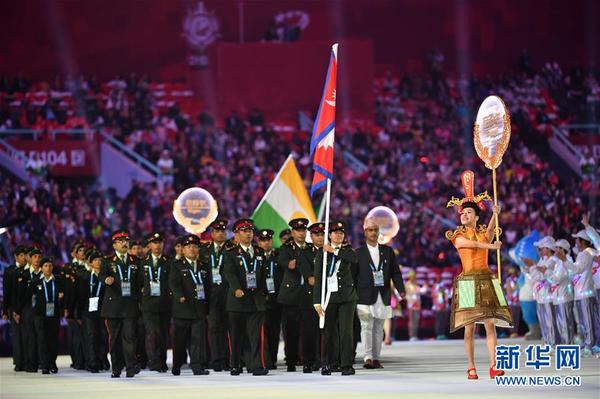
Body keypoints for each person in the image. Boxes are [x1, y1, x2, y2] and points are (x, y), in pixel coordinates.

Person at [445, 171, 512, 380]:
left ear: (475, 216)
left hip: (485, 280)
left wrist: (495, 214)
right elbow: (472, 244)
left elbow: (491, 231)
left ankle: (493, 365)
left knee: (490, 324)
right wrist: (491, 246)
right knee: (470, 328)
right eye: (462, 213)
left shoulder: (483, 233)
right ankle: (471, 366)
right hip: (467, 282)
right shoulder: (457, 236)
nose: (464, 215)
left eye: (468, 213)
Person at [355, 218, 405, 369]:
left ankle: (376, 358)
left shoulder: (388, 251)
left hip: (382, 294)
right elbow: (352, 275)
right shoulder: (358, 253)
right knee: (366, 326)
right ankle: (368, 357)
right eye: (370, 230)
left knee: (378, 328)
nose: (374, 233)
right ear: (365, 232)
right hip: (363, 295)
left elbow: (395, 272)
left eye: (376, 230)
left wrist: (401, 288)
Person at [223, 219, 269, 376]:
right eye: (244, 231)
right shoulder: (230, 253)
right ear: (236, 234)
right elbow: (229, 273)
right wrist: (236, 288)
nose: (248, 233)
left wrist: (265, 293)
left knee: (256, 336)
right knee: (236, 336)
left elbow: (263, 276)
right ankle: (235, 364)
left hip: (256, 300)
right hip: (237, 300)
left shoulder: (259, 252)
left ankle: (256, 365)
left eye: (250, 231)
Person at [313, 221, 359, 376]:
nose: (338, 235)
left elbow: (354, 259)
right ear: (330, 235)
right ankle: (328, 363)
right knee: (329, 332)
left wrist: (334, 251)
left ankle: (346, 364)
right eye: (335, 233)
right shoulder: (321, 252)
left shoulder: (348, 251)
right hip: (329, 297)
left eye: (341, 233)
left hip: (347, 297)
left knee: (346, 332)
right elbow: (318, 278)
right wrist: (317, 302)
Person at [99, 230, 141, 378]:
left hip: (130, 305)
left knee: (129, 337)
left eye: (126, 241)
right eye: (121, 241)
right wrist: (106, 280)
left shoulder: (135, 261)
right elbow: (101, 275)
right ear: (114, 245)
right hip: (113, 307)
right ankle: (116, 367)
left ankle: (130, 367)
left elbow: (140, 281)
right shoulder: (107, 261)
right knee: (115, 339)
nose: (124, 243)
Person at [169, 234, 211, 376]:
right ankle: (177, 364)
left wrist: (208, 305)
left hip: (199, 308)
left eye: (194, 246)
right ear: (183, 250)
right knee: (179, 340)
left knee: (197, 339)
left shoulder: (204, 266)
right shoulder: (177, 265)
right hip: (182, 308)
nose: (192, 249)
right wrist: (179, 295)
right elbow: (173, 283)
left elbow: (208, 287)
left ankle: (197, 366)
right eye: (188, 247)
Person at [277, 218, 312, 372]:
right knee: (291, 332)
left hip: (309, 295)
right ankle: (291, 361)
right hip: (291, 296)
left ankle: (309, 362)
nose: (301, 233)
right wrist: (305, 265)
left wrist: (298, 262)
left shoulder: (311, 248)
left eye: (303, 230)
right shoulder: (285, 248)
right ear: (292, 232)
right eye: (298, 230)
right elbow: (289, 265)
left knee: (309, 331)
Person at [137, 232, 171, 372]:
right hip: (148, 305)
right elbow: (137, 284)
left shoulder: (169, 261)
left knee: (163, 334)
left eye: (160, 243)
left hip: (165, 303)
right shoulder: (142, 263)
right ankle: (154, 361)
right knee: (152, 333)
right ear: (149, 245)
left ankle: (162, 361)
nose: (158, 245)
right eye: (155, 243)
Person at [200, 219, 231, 372]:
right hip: (211, 295)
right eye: (217, 231)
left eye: (223, 231)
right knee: (213, 328)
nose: (220, 234)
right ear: (212, 234)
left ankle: (226, 359)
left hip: (228, 293)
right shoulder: (204, 250)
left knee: (227, 328)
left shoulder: (232, 249)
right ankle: (216, 359)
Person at [28, 257, 65, 374]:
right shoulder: (36, 281)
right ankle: (44, 365)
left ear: (52, 267)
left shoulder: (58, 280)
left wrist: (63, 302)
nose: (48, 268)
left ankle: (52, 363)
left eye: (50, 265)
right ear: (41, 268)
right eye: (45, 266)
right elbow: (28, 297)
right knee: (42, 340)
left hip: (54, 315)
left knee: (53, 340)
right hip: (40, 315)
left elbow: (64, 295)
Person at [566, 227, 598, 356]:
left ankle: (590, 345)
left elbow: (577, 269)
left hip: (586, 292)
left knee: (588, 320)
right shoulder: (582, 254)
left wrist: (564, 261)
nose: (576, 243)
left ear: (582, 241)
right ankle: (587, 343)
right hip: (580, 293)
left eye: (577, 240)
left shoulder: (586, 253)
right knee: (583, 321)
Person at [76, 250, 108, 372]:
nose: (98, 262)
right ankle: (92, 363)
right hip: (88, 312)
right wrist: (78, 314)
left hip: (103, 311)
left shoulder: (105, 278)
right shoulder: (85, 278)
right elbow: (80, 296)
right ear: (90, 263)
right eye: (95, 260)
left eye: (100, 260)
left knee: (103, 337)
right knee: (91, 337)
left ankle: (102, 361)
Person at [257, 229, 283, 370]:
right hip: (261, 299)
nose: (266, 243)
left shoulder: (278, 255)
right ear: (258, 242)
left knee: (274, 331)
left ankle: (272, 359)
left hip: (276, 299)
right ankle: (265, 359)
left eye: (268, 240)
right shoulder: (255, 256)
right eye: (263, 240)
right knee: (262, 331)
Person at [527, 236, 559, 348]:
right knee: (544, 322)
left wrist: (532, 267)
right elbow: (536, 276)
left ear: (548, 248)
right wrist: (531, 269)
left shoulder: (552, 261)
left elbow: (541, 276)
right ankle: (547, 341)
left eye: (542, 248)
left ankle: (553, 343)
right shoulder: (543, 260)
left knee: (550, 321)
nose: (540, 251)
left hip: (548, 295)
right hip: (540, 296)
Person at [2, 245, 28, 371]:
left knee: (27, 335)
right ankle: (19, 362)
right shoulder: (10, 271)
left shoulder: (29, 271)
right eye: (21, 255)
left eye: (25, 255)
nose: (24, 258)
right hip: (14, 308)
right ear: (16, 257)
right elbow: (6, 292)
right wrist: (5, 310)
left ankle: (29, 361)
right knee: (17, 336)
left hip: (27, 308)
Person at [548, 239, 575, 345]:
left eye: (557, 248)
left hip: (564, 296)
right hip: (558, 297)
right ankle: (564, 345)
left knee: (566, 324)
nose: (555, 250)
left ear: (563, 250)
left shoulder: (567, 260)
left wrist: (546, 272)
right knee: (561, 324)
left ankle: (568, 346)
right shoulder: (558, 262)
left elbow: (557, 278)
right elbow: (553, 279)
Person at [404, 270, 421, 341]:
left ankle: (415, 335)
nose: (413, 278)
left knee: (416, 319)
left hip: (417, 304)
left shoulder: (416, 284)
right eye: (411, 277)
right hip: (411, 304)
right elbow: (405, 295)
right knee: (411, 320)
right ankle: (411, 335)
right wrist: (410, 299)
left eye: (413, 276)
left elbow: (418, 292)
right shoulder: (407, 284)